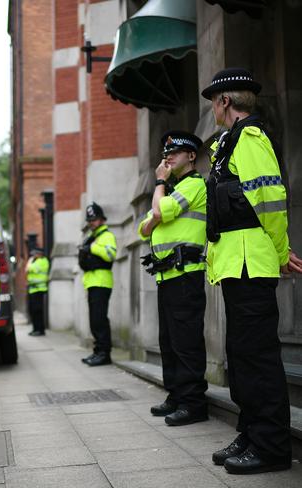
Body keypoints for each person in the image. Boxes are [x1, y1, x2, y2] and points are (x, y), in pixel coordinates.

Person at [202, 67, 302, 474]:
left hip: (251, 261)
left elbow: (270, 201)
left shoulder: (252, 138)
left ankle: (272, 445)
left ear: (225, 101)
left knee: (257, 356)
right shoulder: (228, 143)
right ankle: (252, 431)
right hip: (235, 263)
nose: (211, 108)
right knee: (241, 355)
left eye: (213, 100)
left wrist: (281, 252)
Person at [138, 131, 208, 427]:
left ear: (191, 156)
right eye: (166, 153)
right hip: (167, 275)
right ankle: (176, 395)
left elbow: (157, 211)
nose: (168, 157)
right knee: (168, 340)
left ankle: (193, 403)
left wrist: (158, 186)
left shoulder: (194, 185)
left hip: (186, 275)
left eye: (175, 153)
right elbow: (143, 227)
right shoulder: (173, 190)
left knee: (186, 341)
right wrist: (158, 213)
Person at [79, 202, 117, 366]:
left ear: (101, 219)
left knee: (99, 320)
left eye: (94, 219)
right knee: (95, 320)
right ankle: (98, 351)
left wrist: (93, 248)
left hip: (101, 282)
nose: (91, 222)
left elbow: (110, 255)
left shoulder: (106, 236)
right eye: (90, 220)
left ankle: (104, 354)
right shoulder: (92, 237)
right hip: (92, 282)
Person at [25, 247, 49, 336]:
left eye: (35, 254)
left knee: (38, 311)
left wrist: (30, 261)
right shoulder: (36, 261)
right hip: (33, 289)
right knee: (32, 311)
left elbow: (28, 269)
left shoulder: (43, 261)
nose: (33, 256)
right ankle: (35, 329)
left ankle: (40, 330)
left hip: (39, 289)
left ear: (40, 254)